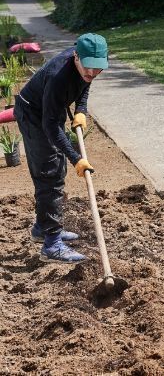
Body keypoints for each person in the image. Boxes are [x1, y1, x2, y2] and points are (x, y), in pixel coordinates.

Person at [14, 33, 108, 263]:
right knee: (49, 175)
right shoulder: (58, 77)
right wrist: (76, 158)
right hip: (34, 116)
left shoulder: (86, 67)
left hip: (46, 116)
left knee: (57, 170)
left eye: (98, 69)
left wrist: (81, 110)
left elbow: (84, 86)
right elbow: (51, 126)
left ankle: (42, 228)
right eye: (88, 68)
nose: (92, 73)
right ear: (76, 56)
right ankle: (52, 244)